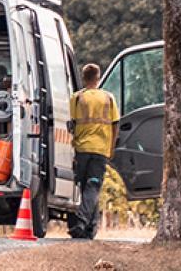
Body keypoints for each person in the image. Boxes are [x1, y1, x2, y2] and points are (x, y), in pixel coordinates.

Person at [68, 63, 119, 240]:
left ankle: (86, 226)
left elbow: (72, 124)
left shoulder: (76, 98)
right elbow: (115, 124)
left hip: (81, 149)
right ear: (98, 77)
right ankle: (86, 225)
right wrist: (111, 147)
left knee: (88, 186)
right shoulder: (108, 98)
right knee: (93, 186)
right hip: (100, 150)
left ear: (83, 78)